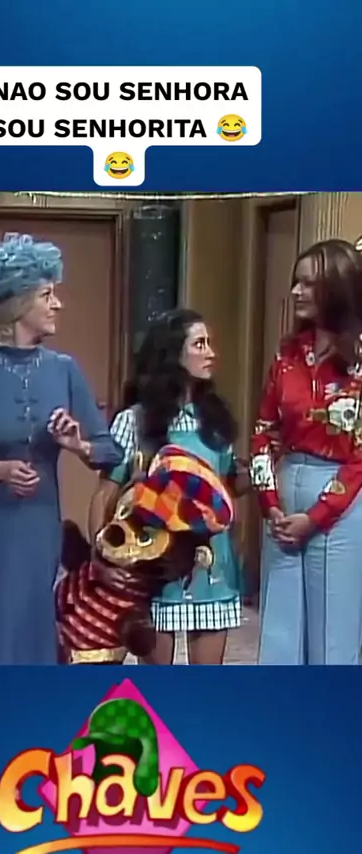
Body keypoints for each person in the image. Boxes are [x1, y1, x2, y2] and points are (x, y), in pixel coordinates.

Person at [0, 232, 122, 665]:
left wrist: (77, 443)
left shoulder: (64, 370)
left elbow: (111, 454)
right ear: (18, 303)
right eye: (47, 295)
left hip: (37, 526)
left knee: (27, 623)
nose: (57, 304)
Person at [89, 308, 248, 665]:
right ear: (173, 353)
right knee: (157, 687)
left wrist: (258, 471)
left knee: (206, 690)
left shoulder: (216, 420)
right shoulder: (135, 420)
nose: (211, 353)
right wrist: (101, 559)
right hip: (153, 569)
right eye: (200, 344)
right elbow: (105, 493)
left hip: (211, 568)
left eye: (210, 343)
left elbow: (226, 489)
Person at [250, 238, 362, 665]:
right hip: (284, 498)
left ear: (338, 289)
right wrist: (270, 503)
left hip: (341, 503)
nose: (296, 291)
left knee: (332, 640)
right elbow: (264, 432)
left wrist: (315, 517)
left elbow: (360, 457)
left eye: (309, 283)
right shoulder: (288, 355)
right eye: (296, 282)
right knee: (280, 635)